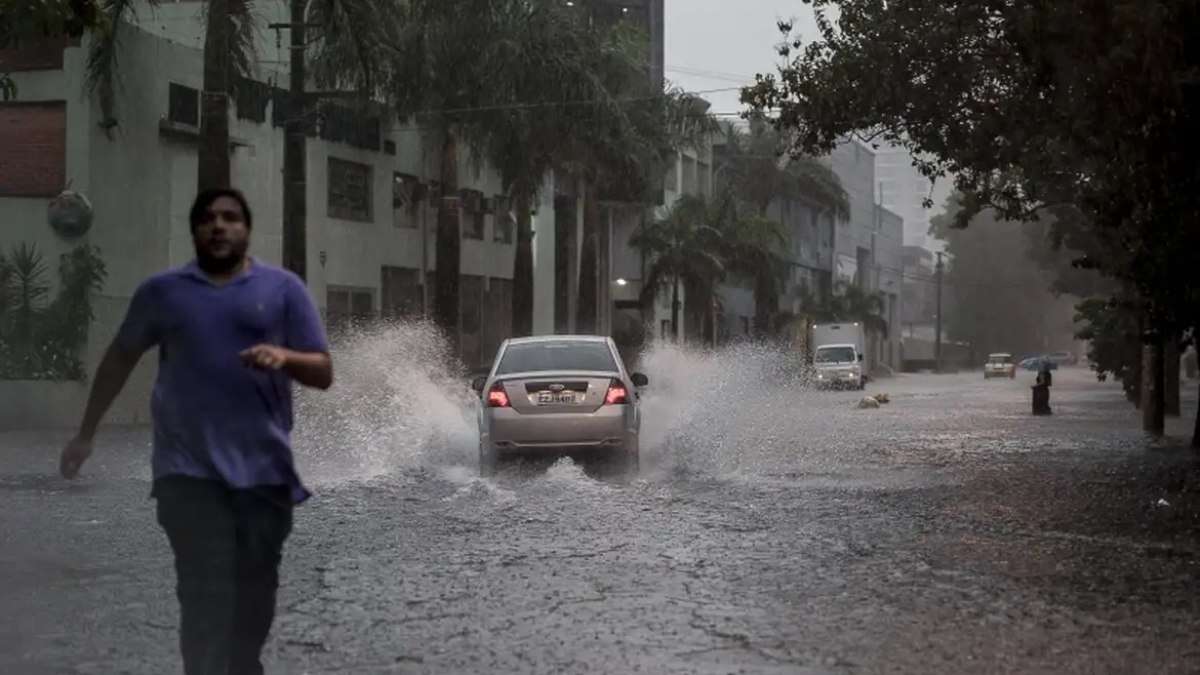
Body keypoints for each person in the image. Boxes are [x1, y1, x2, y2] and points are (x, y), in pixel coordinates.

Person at [58, 188, 333, 675]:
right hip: (186, 475)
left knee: (253, 607)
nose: (219, 226)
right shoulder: (162, 293)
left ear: (247, 230)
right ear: (195, 231)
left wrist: (285, 357)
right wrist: (86, 433)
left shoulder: (283, 289)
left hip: (264, 477)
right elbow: (119, 359)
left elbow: (323, 372)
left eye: (230, 218)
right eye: (208, 218)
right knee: (205, 597)